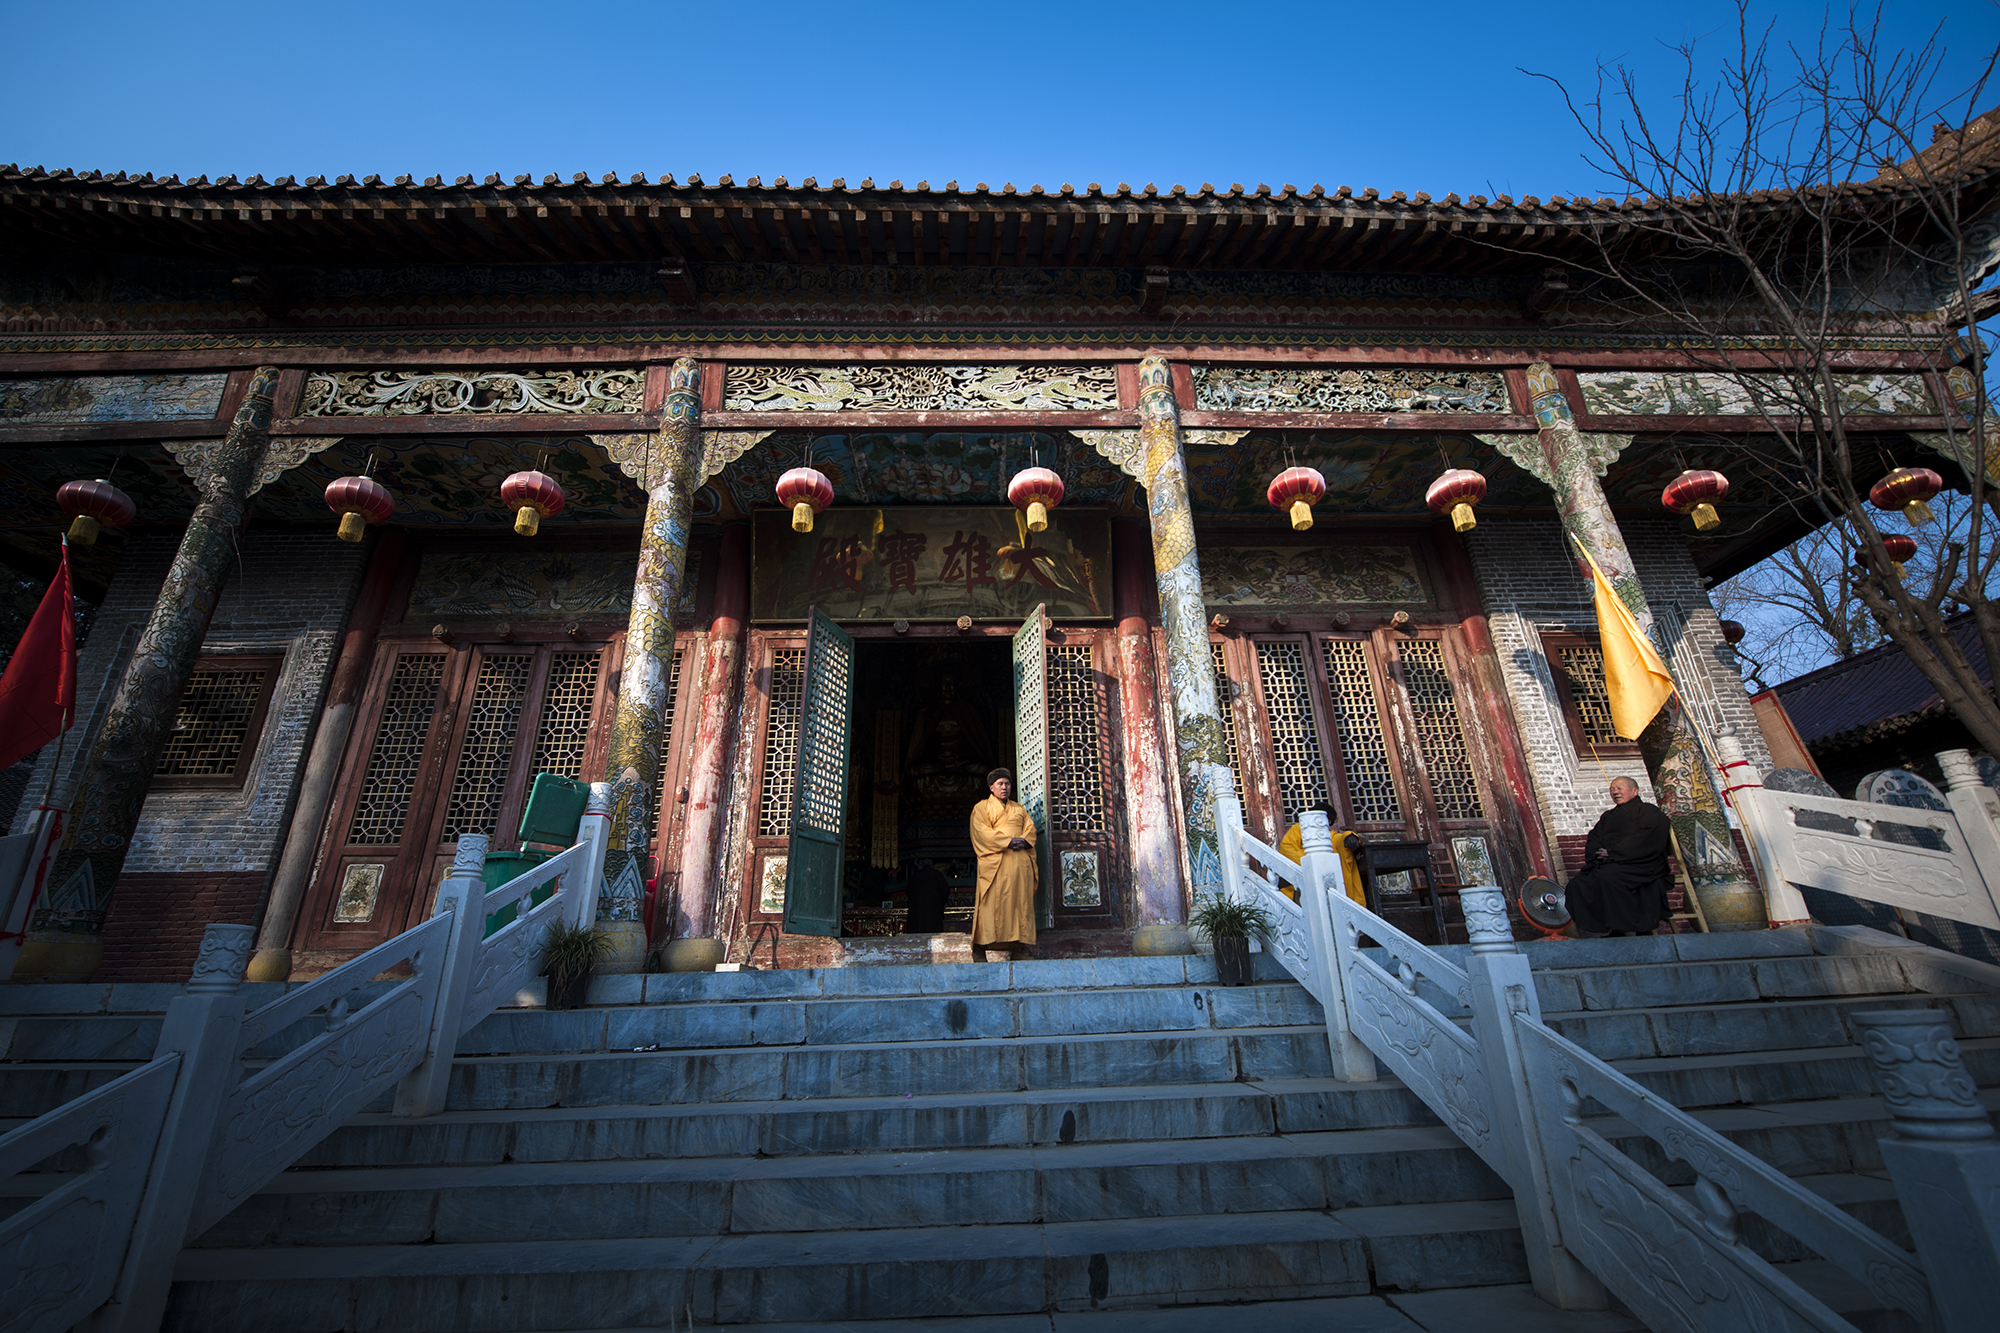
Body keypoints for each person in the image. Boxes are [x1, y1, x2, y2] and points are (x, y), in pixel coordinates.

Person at [1564, 776, 1673, 936]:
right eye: (1612, 789)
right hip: (1611, 863)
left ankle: (1623, 928)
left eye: (1619, 788)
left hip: (1641, 863)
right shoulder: (1608, 816)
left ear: (1635, 791)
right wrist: (1599, 855)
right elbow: (1594, 837)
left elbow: (1648, 837)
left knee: (1608, 878)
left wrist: (1615, 852)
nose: (1615, 792)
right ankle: (1607, 926)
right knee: (1578, 884)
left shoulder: (1648, 811)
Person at [969, 768, 1037, 961]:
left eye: (1007, 784)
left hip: (1019, 866)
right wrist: (1007, 841)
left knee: (1019, 906)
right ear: (991, 788)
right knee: (990, 906)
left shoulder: (1018, 809)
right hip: (996, 865)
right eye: (1000, 784)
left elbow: (1030, 829)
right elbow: (981, 832)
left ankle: (1017, 948)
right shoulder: (981, 808)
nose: (1004, 787)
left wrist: (1024, 840)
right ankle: (979, 949)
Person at [1276, 800, 1367, 905]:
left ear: (1328, 821)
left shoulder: (1331, 836)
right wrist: (1311, 864)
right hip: (1304, 878)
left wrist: (1350, 836)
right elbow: (1287, 847)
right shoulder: (1298, 829)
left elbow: (1340, 839)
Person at [903, 857, 950, 935]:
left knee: (918, 935)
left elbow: (909, 892)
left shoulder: (916, 876)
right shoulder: (937, 875)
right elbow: (945, 892)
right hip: (934, 911)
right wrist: (939, 904)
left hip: (917, 912)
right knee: (934, 935)